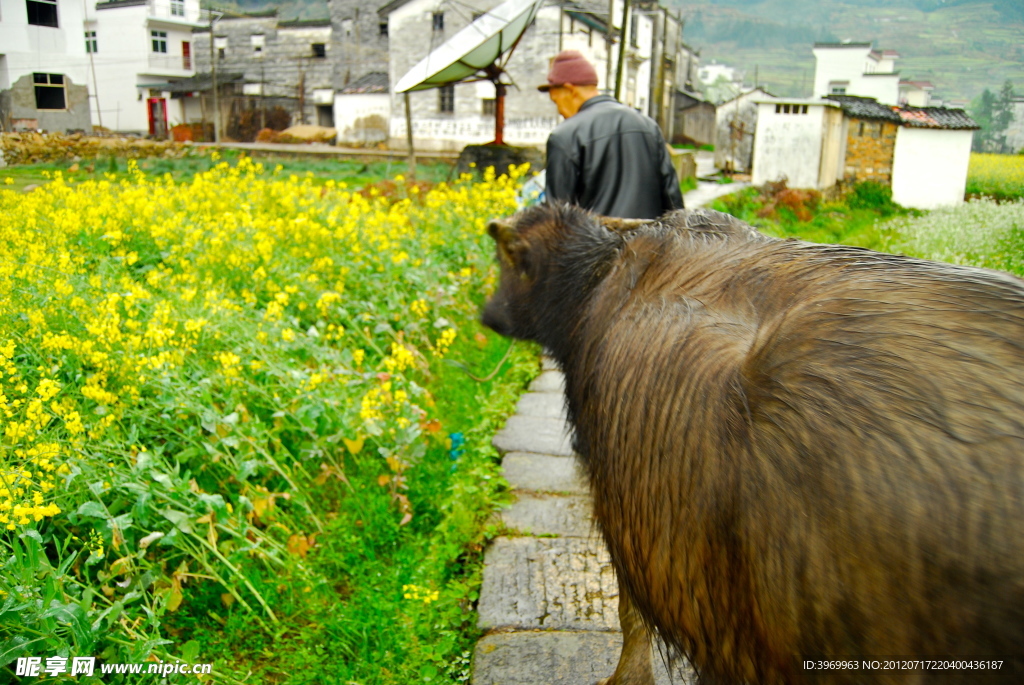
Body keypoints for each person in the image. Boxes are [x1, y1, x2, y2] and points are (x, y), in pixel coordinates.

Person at [538, 50, 684, 219]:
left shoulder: (564, 136)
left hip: (595, 245)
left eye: (556, 102)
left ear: (570, 90)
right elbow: (674, 202)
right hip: (647, 242)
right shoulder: (648, 126)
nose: (560, 111)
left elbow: (557, 219)